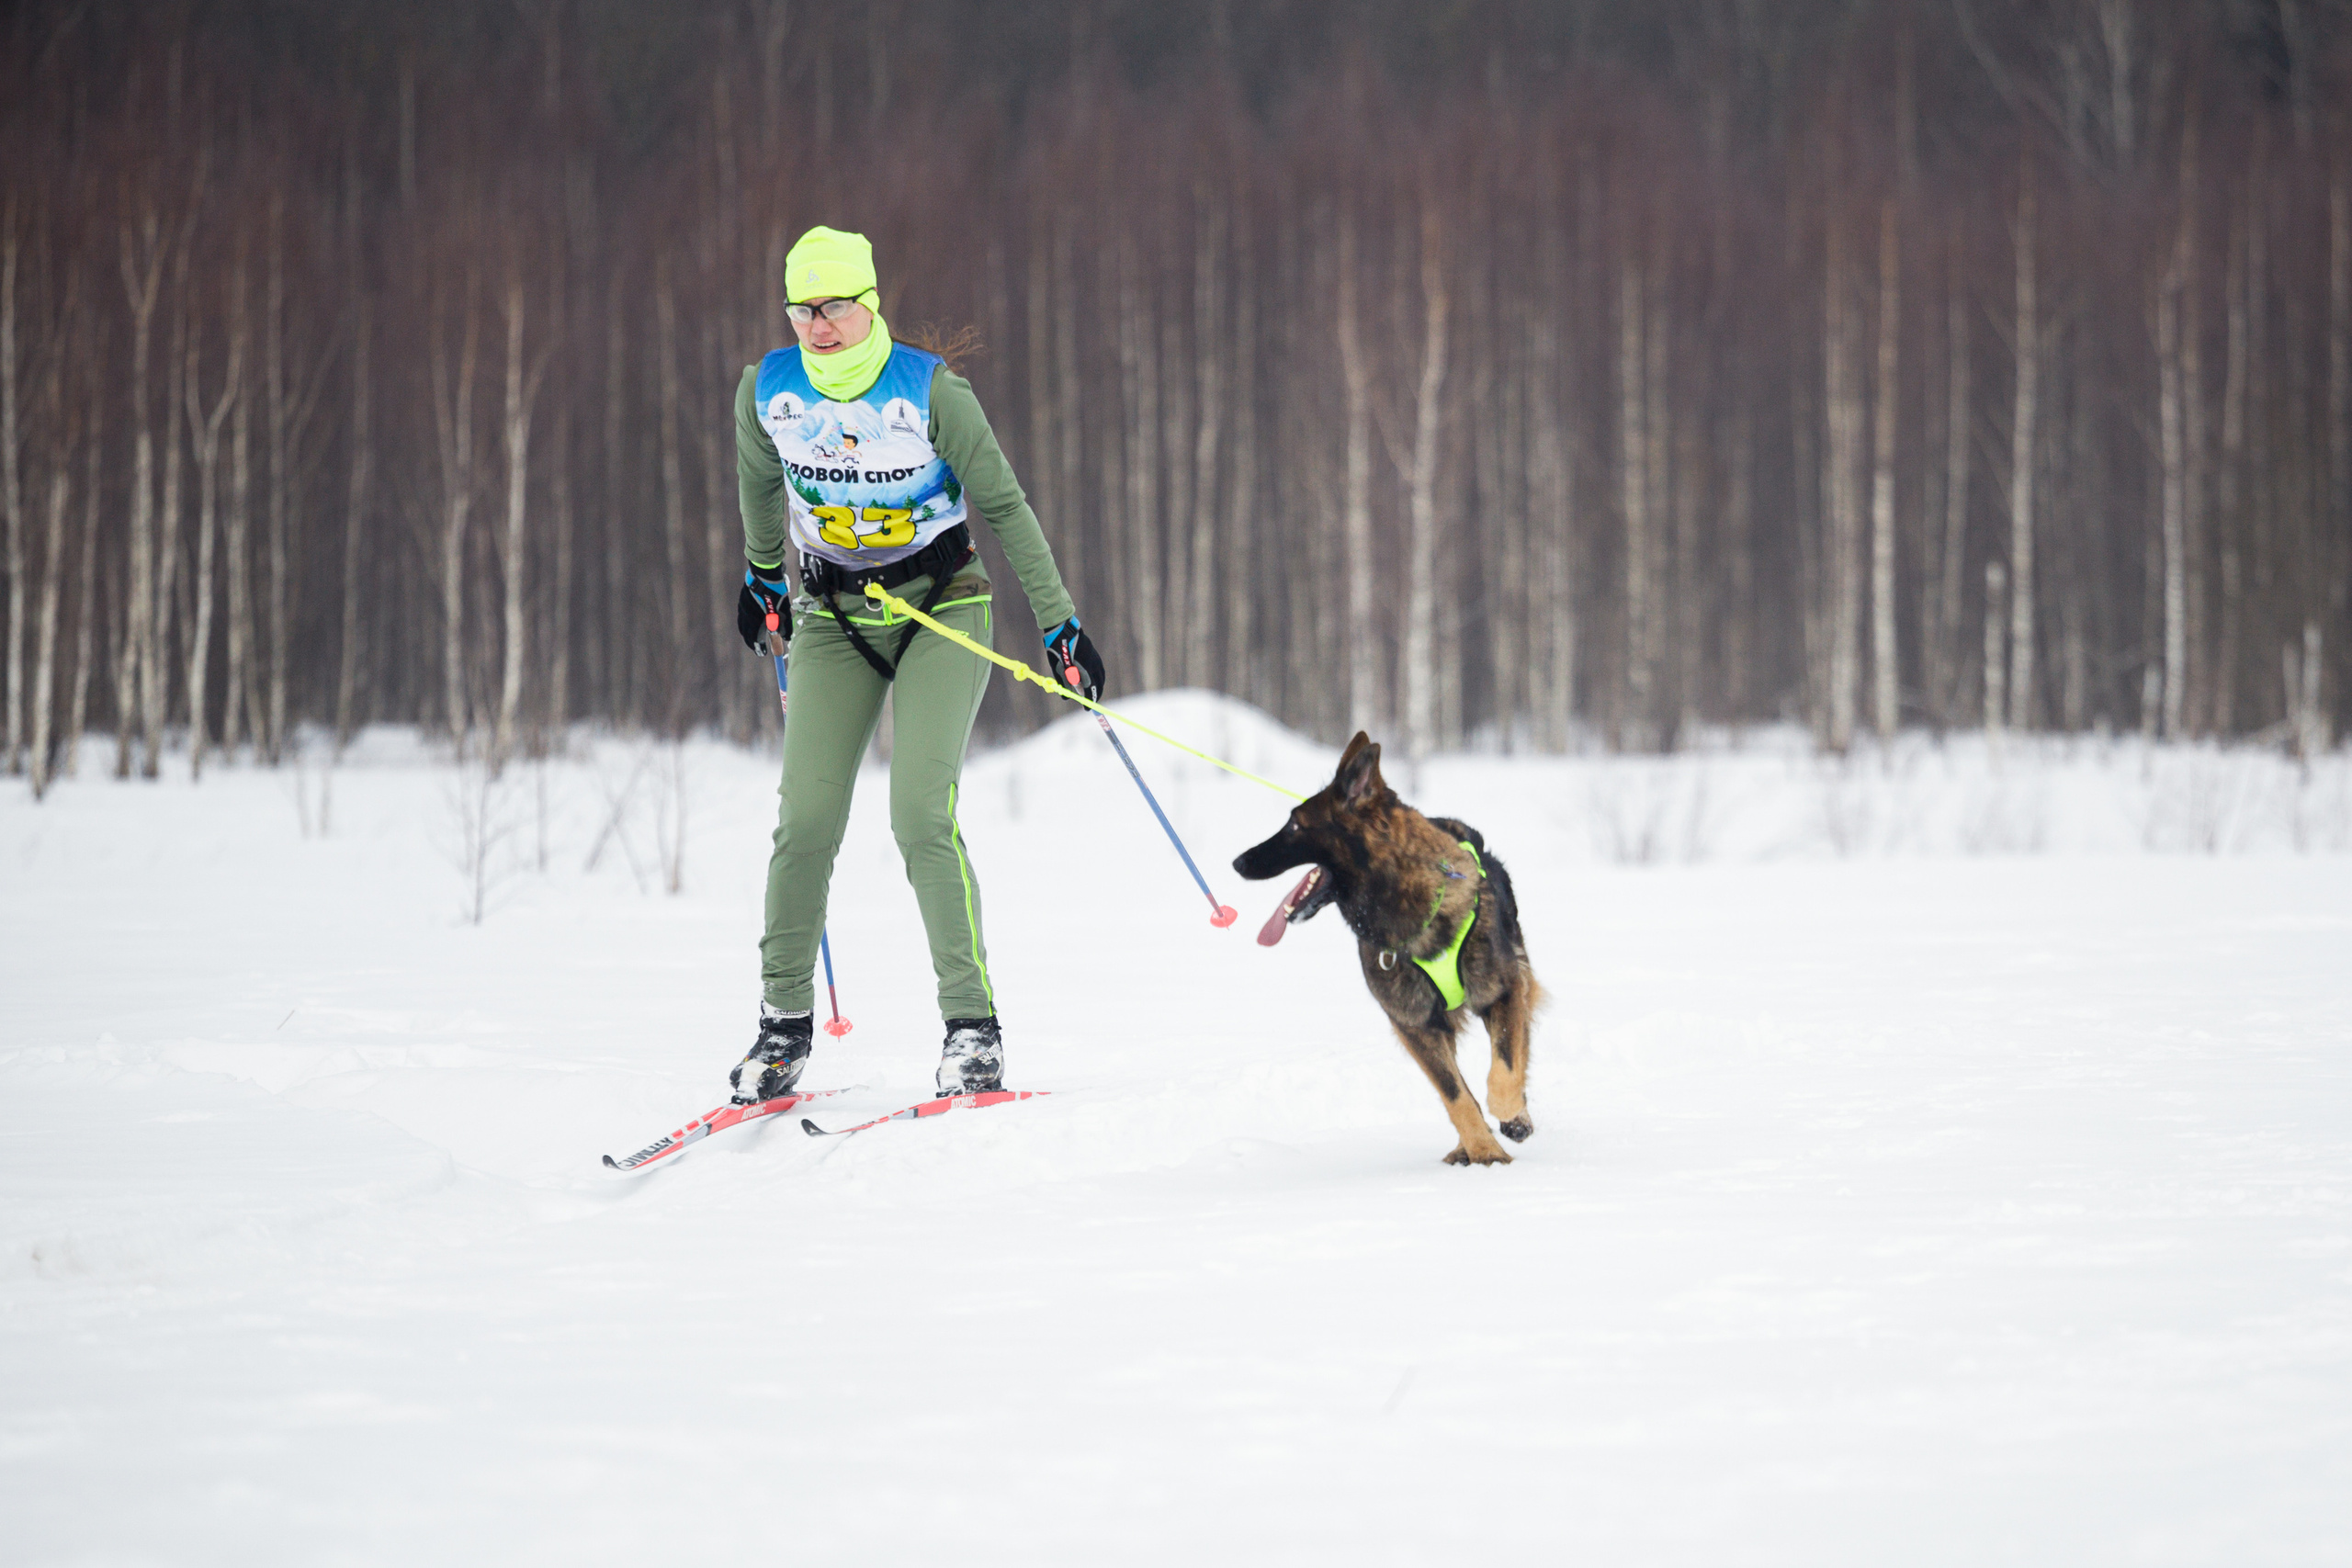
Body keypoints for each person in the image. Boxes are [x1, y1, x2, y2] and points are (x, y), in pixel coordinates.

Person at [729, 225, 1103, 1104]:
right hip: (832, 614)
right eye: (801, 310)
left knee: (918, 814)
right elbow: (758, 483)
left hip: (942, 603)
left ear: (870, 305)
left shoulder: (931, 391)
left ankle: (972, 1029)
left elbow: (1004, 505)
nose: (818, 326)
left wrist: (1060, 624)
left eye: (834, 307)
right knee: (806, 820)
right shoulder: (767, 392)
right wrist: (763, 575)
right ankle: (782, 1027)